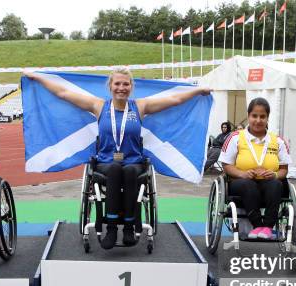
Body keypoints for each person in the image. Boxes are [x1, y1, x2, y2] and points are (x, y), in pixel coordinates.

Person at [24, 67, 210, 249]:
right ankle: (111, 229)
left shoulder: (140, 106)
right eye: (118, 83)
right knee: (114, 168)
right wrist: (37, 78)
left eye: (126, 84)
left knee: (128, 170)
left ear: (131, 87)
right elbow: (64, 93)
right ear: (110, 86)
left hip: (133, 163)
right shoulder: (99, 106)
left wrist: (198, 90)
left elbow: (175, 99)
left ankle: (129, 226)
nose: (121, 87)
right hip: (106, 163)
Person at [219, 97, 291, 240]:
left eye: (262, 116)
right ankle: (257, 225)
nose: (258, 120)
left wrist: (275, 175)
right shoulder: (235, 138)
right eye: (254, 116)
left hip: (268, 183)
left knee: (276, 185)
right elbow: (226, 165)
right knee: (248, 185)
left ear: (267, 118)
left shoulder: (278, 141)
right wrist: (242, 174)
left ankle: (268, 228)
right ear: (248, 116)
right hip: (241, 182)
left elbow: (284, 169)